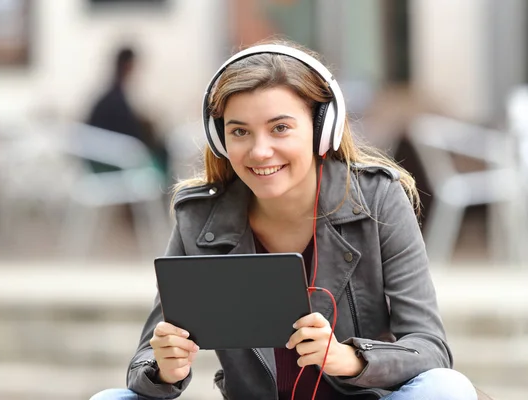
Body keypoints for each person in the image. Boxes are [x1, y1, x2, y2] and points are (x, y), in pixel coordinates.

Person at [90, 40, 478, 399]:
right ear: (220, 139)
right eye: (239, 131)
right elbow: (144, 361)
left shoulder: (378, 198)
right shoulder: (198, 217)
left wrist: (350, 359)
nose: (260, 151)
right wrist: (163, 369)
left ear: (321, 129)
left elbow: (430, 348)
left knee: (446, 388)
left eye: (280, 128)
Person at [85, 47, 168, 176]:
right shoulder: (114, 99)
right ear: (127, 66)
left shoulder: (113, 95)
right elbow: (126, 130)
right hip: (111, 157)